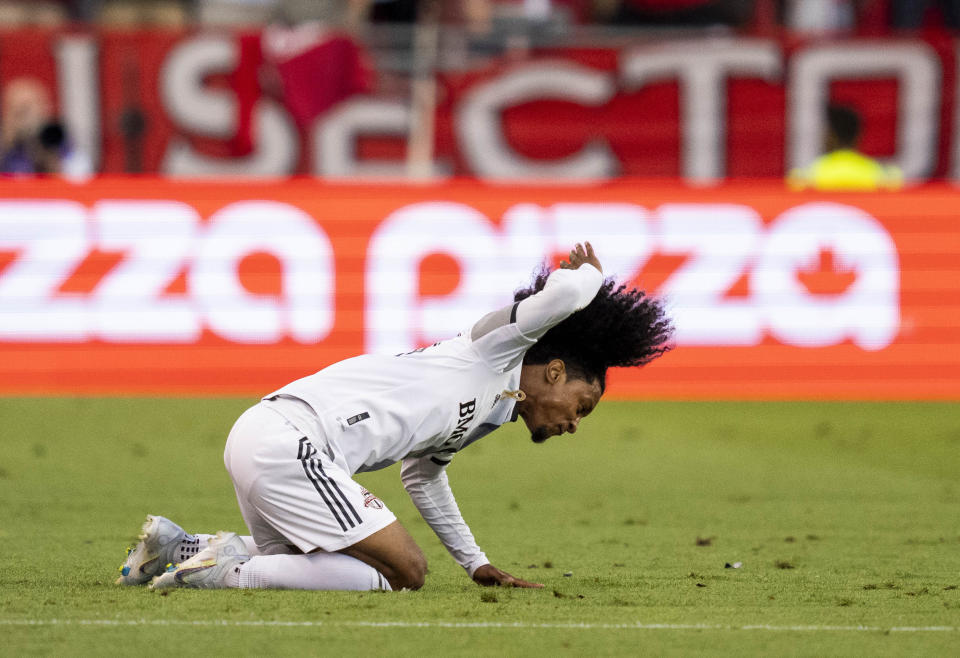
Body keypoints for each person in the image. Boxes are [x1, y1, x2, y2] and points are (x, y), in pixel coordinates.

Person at [116, 243, 673, 592]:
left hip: (267, 434)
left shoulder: (493, 408)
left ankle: (179, 547)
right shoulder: (494, 350)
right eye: (583, 406)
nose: (575, 424)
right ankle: (225, 572)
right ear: (554, 371)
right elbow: (568, 291)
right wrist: (591, 280)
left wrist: (476, 563)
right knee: (403, 572)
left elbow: (422, 476)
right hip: (291, 443)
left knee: (308, 564)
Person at [788, 104, 902, 191]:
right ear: (858, 136)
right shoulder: (884, 178)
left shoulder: (807, 178)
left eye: (824, 132)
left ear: (831, 136)